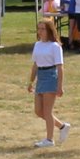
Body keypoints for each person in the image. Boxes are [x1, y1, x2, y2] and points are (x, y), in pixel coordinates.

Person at [29, 15, 68, 145]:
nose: (40, 31)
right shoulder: (37, 45)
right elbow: (35, 65)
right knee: (38, 111)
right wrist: (31, 81)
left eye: (43, 29)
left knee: (47, 110)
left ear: (49, 31)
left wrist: (60, 86)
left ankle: (49, 139)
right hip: (41, 76)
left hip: (51, 76)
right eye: (38, 29)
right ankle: (62, 126)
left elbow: (60, 67)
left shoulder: (55, 46)